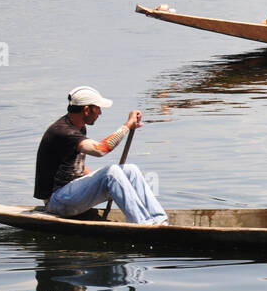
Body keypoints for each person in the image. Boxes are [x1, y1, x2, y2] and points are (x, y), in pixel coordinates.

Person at [34, 86, 167, 225]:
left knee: (130, 170)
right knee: (112, 172)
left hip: (71, 193)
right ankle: (143, 224)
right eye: (97, 109)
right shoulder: (63, 131)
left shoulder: (79, 127)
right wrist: (127, 126)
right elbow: (101, 150)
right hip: (57, 201)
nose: (100, 113)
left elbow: (76, 167)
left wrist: (107, 182)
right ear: (86, 110)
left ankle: (160, 220)